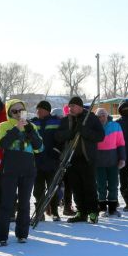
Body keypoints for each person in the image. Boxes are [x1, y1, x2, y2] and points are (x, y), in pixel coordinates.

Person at [0, 99, 42, 246]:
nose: (17, 114)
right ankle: (2, 236)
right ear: (9, 112)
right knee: (7, 203)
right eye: (14, 111)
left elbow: (39, 147)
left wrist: (30, 131)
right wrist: (16, 129)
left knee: (24, 204)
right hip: (10, 169)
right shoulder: (3, 125)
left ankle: (22, 234)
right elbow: (2, 144)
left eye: (20, 110)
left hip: (28, 169)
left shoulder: (32, 125)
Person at [54, 96, 105, 224]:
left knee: (90, 187)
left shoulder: (91, 118)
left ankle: (93, 212)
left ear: (80, 107)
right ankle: (81, 212)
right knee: (76, 187)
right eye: (69, 106)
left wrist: (84, 131)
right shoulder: (66, 120)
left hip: (87, 158)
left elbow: (100, 136)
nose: (70, 108)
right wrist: (71, 133)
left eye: (73, 106)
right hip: (71, 159)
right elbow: (58, 136)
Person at [32, 101, 62, 221]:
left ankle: (55, 212)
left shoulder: (56, 122)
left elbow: (62, 139)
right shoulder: (33, 122)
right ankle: (40, 212)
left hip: (52, 161)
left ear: (48, 111)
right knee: (38, 189)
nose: (38, 111)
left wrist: (57, 151)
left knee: (53, 187)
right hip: (37, 161)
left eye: (41, 109)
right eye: (37, 109)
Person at [95, 108, 126, 217]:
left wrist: (122, 158)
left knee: (113, 185)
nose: (101, 118)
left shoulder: (115, 126)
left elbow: (121, 143)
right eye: (99, 116)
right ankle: (102, 208)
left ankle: (113, 209)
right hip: (98, 162)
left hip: (113, 161)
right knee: (101, 186)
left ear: (107, 116)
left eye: (103, 115)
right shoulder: (94, 127)